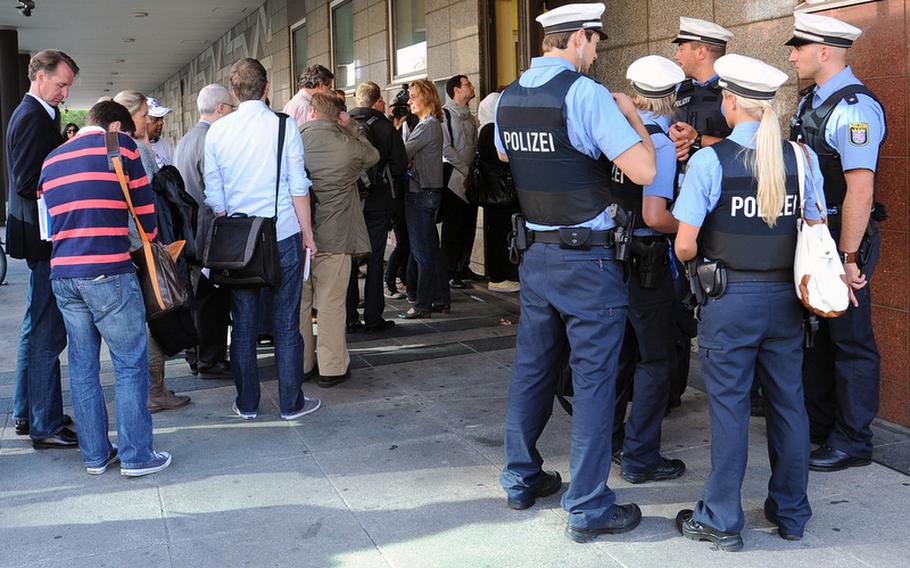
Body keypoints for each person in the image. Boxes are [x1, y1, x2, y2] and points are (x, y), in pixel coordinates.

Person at [495, 3, 657, 543]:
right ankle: (587, 506)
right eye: (595, 44)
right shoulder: (584, 94)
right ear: (580, 39)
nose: (595, 54)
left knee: (533, 368)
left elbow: (504, 153)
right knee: (593, 381)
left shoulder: (510, 96)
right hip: (587, 260)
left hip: (536, 255)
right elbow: (645, 169)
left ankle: (520, 477)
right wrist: (632, 117)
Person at [673, 54, 826, 551]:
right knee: (789, 406)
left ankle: (721, 518)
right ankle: (792, 513)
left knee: (730, 411)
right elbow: (815, 225)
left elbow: (684, 245)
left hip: (730, 300)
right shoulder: (801, 159)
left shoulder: (708, 161)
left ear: (732, 102)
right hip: (787, 301)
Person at [41, 100, 172, 476]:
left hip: (64, 275)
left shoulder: (52, 159)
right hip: (109, 271)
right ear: (115, 125)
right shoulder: (121, 147)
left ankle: (96, 455)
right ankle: (136, 456)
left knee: (82, 368)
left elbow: (47, 224)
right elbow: (146, 213)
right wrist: (148, 241)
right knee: (130, 364)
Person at [787, 12, 887, 472]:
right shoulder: (812, 101)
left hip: (841, 238)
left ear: (824, 51)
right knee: (818, 336)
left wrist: (849, 257)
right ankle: (821, 426)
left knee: (849, 338)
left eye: (798, 48)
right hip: (816, 235)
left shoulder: (853, 109)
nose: (792, 55)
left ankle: (853, 439)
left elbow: (859, 191)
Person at [204, 58, 320, 421]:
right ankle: (291, 403)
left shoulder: (218, 132)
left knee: (242, 326)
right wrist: (308, 235)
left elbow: (215, 198)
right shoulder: (284, 128)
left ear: (234, 92)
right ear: (267, 88)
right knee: (287, 323)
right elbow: (299, 187)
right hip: (282, 233)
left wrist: (235, 217)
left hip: (240, 241)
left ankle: (248, 404)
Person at [610, 55, 686, 484]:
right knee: (656, 359)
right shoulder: (656, 139)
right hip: (647, 262)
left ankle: (613, 442)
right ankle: (641, 457)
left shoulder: (614, 129)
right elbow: (656, 215)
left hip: (610, 258)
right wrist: (694, 226)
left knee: (618, 355)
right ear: (670, 97)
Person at [6, 49, 79, 448]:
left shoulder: (38, 114)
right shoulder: (32, 116)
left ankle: (28, 413)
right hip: (43, 238)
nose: (64, 94)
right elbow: (26, 180)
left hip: (38, 236)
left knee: (36, 329)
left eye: (68, 86)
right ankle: (45, 424)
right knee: (47, 336)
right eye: (61, 84)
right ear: (39, 76)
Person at [667, 16, 734, 410]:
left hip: (722, 211)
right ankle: (671, 388)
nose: (676, 53)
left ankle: (741, 392)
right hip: (682, 207)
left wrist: (698, 143)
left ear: (702, 50)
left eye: (682, 46)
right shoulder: (680, 92)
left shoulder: (731, 93)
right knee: (676, 301)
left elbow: (749, 145)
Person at [113, 90, 192, 413]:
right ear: (129, 117)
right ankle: (155, 391)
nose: (149, 120)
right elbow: (146, 204)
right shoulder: (137, 150)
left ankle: (149, 390)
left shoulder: (107, 147)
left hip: (119, 247)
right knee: (153, 317)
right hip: (141, 246)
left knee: (138, 321)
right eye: (145, 114)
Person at [299, 92, 379, 387]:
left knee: (301, 303)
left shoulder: (292, 141)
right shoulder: (348, 146)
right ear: (338, 116)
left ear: (311, 113)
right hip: (335, 236)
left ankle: (303, 363)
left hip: (298, 236)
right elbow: (373, 156)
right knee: (331, 304)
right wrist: (352, 128)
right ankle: (332, 368)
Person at [174, 83, 236, 379]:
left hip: (191, 233)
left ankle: (197, 354)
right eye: (232, 108)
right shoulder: (214, 139)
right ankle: (210, 358)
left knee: (198, 300)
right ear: (221, 108)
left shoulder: (187, 138)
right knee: (211, 302)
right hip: (209, 233)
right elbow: (219, 191)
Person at [348, 81, 408, 332]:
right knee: (374, 259)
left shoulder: (344, 124)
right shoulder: (385, 126)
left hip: (351, 202)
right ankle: (373, 317)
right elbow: (400, 163)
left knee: (349, 261)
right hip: (379, 202)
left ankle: (349, 316)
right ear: (377, 100)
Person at [399, 79, 451, 319]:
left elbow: (403, 154)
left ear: (427, 98)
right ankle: (440, 299)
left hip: (421, 193)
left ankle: (423, 304)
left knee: (422, 252)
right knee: (431, 248)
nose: (409, 101)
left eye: (413, 96)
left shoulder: (426, 126)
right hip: (429, 192)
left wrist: (397, 127)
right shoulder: (431, 124)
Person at [474, 93, 520, 293]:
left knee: (499, 234)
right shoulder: (491, 129)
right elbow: (501, 159)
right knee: (501, 235)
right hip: (500, 194)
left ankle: (500, 275)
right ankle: (499, 277)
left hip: (495, 193)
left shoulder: (485, 128)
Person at [440, 74, 481, 289]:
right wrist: (465, 170)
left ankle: (463, 265)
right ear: (456, 90)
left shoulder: (469, 115)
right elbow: (446, 148)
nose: (472, 87)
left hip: (471, 178)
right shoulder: (445, 114)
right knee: (453, 226)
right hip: (455, 179)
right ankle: (450, 270)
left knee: (468, 224)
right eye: (467, 84)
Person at [283, 64, 334, 129]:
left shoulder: (294, 103)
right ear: (321, 85)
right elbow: (306, 136)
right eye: (329, 88)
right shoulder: (306, 107)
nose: (329, 92)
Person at [147, 97, 175, 167]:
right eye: (156, 118)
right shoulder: (133, 147)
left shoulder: (165, 144)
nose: (161, 122)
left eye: (161, 118)